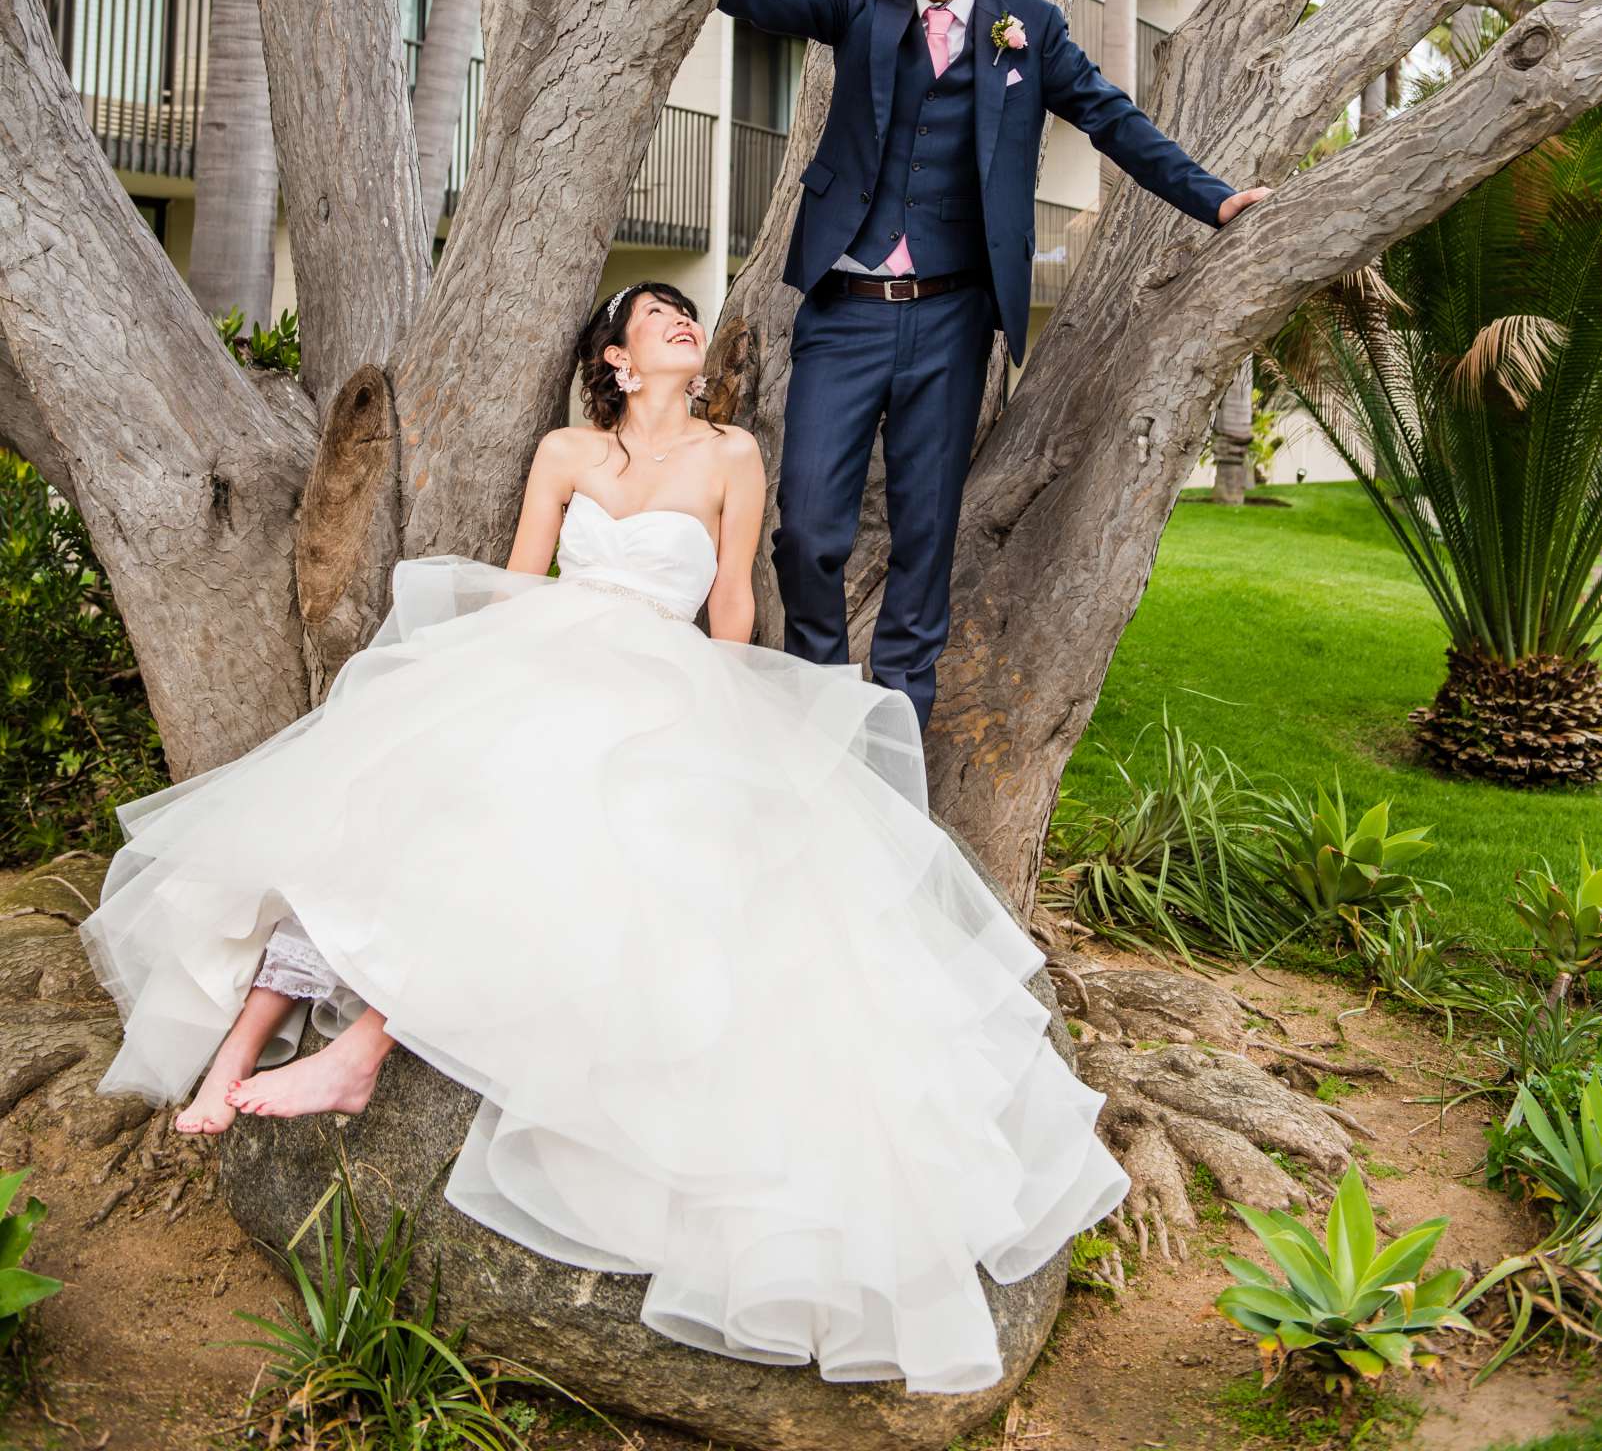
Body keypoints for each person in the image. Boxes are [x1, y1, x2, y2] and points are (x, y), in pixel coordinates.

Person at [77, 281, 1130, 1397]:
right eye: (659, 316)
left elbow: (731, 600)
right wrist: (480, 687)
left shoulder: (731, 456)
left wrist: (731, 722)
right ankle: (243, 1047)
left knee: (537, 834)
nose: (684, 322)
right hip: (545, 658)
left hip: (662, 683)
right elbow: (521, 580)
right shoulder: (568, 451)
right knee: (392, 802)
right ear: (620, 362)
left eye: (689, 315)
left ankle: (362, 1046)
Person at [718, 0, 1270, 729]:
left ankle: (895, 740)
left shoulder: (1030, 29)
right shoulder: (860, 3)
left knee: (924, 540)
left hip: (951, 317)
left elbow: (1111, 120)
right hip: (844, 311)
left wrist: (1215, 198)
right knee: (809, 530)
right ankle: (816, 708)